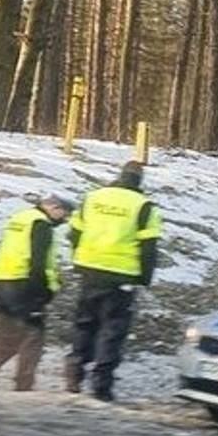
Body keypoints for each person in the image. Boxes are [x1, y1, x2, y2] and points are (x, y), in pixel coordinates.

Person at [65, 161, 162, 402]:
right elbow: (148, 248)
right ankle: (101, 384)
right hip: (121, 277)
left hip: (89, 271)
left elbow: (74, 233)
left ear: (120, 174)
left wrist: (81, 258)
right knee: (112, 329)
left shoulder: (93, 197)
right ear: (140, 179)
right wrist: (144, 278)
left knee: (85, 322)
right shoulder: (145, 206)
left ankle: (75, 370)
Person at [0, 194, 75, 391]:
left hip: (2, 279)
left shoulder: (20, 218)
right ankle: (24, 385)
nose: (64, 220)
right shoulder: (41, 224)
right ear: (54, 208)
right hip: (24, 284)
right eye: (65, 214)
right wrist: (43, 291)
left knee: (8, 334)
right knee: (33, 335)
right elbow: (38, 262)